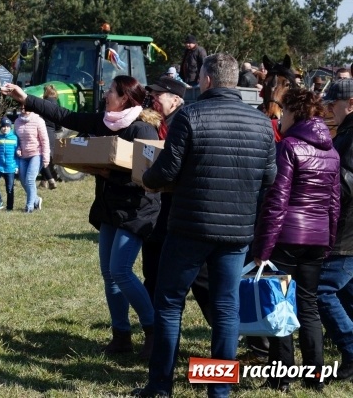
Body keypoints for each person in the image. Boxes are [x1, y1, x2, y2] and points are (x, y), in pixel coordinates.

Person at [133, 53, 276, 398]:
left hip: (189, 228)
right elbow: (269, 177)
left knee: (169, 304)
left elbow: (166, 171)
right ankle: (219, 392)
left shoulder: (191, 115)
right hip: (236, 232)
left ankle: (160, 387)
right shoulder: (260, 123)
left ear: (208, 80)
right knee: (226, 309)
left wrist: (145, 178)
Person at [1, 75, 162, 358]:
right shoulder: (105, 121)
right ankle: (121, 336)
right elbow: (66, 115)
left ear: (124, 97)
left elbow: (148, 179)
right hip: (110, 207)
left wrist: (106, 172)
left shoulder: (143, 130)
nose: (106, 94)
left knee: (121, 272)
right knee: (109, 275)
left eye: (111, 91)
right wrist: (25, 98)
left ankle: (153, 331)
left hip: (137, 209)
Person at [251, 88, 340, 393]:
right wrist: (327, 240)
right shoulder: (332, 151)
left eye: (284, 112)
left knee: (280, 308)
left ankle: (280, 378)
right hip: (316, 238)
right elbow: (334, 204)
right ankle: (315, 377)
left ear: (294, 113)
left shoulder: (288, 146)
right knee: (309, 306)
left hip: (287, 237)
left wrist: (262, 249)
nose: (280, 118)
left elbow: (277, 202)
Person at [140, 77, 212, 327]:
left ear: (176, 99)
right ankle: (153, 330)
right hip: (155, 211)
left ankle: (228, 329)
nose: (153, 100)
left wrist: (150, 177)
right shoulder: (151, 121)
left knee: (200, 279)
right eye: (151, 95)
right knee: (152, 272)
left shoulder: (185, 122)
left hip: (180, 211)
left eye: (158, 95)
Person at [318, 79, 353, 382]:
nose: (329, 109)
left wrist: (322, 169)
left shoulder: (351, 135)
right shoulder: (345, 133)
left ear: (351, 104)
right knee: (347, 293)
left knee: (323, 291)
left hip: (345, 232)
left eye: (334, 104)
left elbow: (346, 185)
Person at [13, 107, 49, 213]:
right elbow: (18, 139)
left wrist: (46, 158)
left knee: (30, 179)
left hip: (37, 154)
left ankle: (29, 207)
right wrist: (19, 148)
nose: (24, 109)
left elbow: (45, 140)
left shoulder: (38, 120)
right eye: (22, 108)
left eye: (27, 107)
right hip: (24, 155)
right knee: (23, 181)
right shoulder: (17, 121)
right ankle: (36, 199)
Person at [38, 84, 61, 189]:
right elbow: (59, 119)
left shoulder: (43, 103)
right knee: (49, 156)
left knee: (41, 155)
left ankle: (47, 179)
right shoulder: (56, 104)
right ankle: (46, 179)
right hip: (51, 132)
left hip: (42, 130)